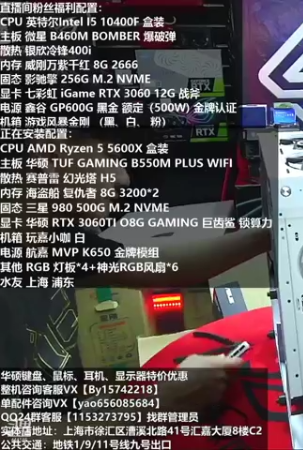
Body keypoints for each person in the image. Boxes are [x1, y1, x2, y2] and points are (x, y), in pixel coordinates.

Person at [0, 136, 271, 441]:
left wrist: (269, 234)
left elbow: (166, 265)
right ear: (49, 154)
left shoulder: (50, 239)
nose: (123, 179)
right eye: (109, 154)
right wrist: (157, 404)